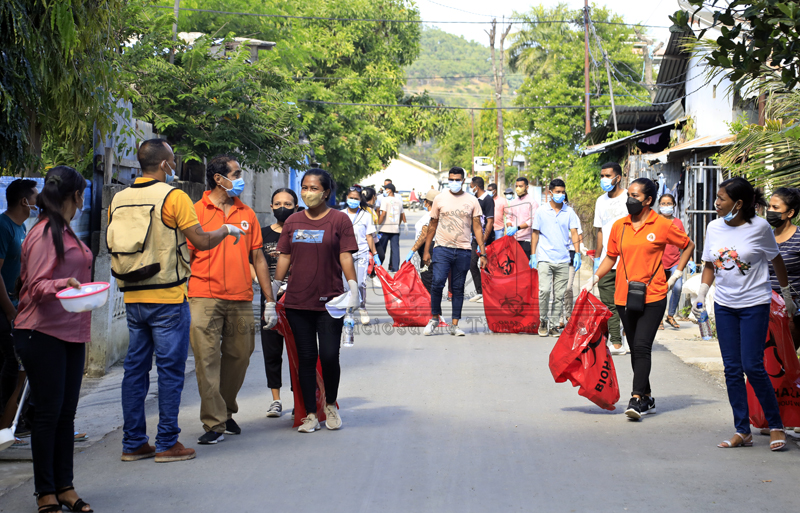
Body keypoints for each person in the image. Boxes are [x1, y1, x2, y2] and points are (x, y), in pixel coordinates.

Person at [108, 139, 241, 463]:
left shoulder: (119, 198)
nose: (174, 166)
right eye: (172, 161)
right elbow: (201, 240)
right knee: (169, 371)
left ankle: (133, 443)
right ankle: (167, 442)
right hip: (167, 296)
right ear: (165, 164)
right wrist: (225, 230)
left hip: (133, 296)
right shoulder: (173, 196)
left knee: (135, 370)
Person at [13, 166, 93, 513]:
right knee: (48, 414)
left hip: (71, 331)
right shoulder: (45, 232)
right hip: (41, 332)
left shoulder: (65, 229)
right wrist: (65, 284)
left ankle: (65, 486)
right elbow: (35, 286)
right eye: (82, 193)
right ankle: (45, 492)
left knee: (66, 415)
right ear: (76, 195)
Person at [693, 177, 794, 450]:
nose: (716, 202)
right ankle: (742, 430)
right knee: (732, 369)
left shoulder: (760, 227)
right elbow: (710, 264)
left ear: (738, 204)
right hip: (725, 306)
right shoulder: (713, 227)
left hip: (754, 304)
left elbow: (776, 260)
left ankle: (775, 425)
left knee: (752, 366)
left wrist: (786, 295)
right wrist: (702, 293)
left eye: (721, 198)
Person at [583, 178, 694, 421]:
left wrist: (676, 274)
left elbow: (688, 245)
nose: (629, 199)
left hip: (654, 295)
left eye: (635, 196)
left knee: (642, 345)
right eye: (629, 195)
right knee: (635, 347)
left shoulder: (661, 224)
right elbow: (610, 257)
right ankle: (647, 396)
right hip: (624, 296)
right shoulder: (620, 226)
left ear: (648, 200)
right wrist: (594, 279)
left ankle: (635, 398)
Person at [187, 155, 273, 445]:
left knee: (240, 355)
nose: (240, 179)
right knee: (207, 360)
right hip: (203, 296)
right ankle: (214, 422)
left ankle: (224, 410)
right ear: (218, 179)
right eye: (236, 174)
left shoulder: (246, 213)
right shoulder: (195, 211)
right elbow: (186, 256)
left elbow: (258, 258)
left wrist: (270, 301)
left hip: (241, 296)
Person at [273, 169, 359, 433]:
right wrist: (274, 287)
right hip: (297, 302)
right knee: (306, 358)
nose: (308, 193)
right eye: (304, 188)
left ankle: (330, 404)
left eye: (314, 188)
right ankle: (310, 413)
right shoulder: (293, 221)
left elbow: (345, 255)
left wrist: (353, 287)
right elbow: (285, 255)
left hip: (331, 302)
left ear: (326, 192)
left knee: (330, 356)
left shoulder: (339, 220)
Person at [422, 167, 487, 337]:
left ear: (463, 181)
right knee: (437, 283)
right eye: (451, 179)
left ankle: (455, 325)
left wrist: (483, 252)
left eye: (457, 180)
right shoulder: (440, 199)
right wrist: (427, 250)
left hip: (463, 250)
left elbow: (477, 228)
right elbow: (432, 225)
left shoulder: (472, 201)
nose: (454, 182)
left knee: (458, 288)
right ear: (448, 180)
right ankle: (434, 318)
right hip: (442, 248)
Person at [257, 188, 297, 419]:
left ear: (296, 207)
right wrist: (263, 285)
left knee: (298, 353)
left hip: (297, 300)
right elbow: (252, 262)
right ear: (271, 207)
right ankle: (276, 400)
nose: (283, 207)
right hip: (270, 301)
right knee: (272, 351)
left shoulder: (301, 234)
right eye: (278, 203)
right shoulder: (262, 234)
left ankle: (298, 399)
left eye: (288, 204)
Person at [0, 179, 37, 418]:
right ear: (25, 201)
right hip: (5, 307)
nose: (38, 203)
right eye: (36, 198)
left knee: (15, 362)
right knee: (11, 362)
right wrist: (9, 310)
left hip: (16, 305)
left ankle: (12, 417)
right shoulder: (3, 227)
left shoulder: (21, 227)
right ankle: (6, 417)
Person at [530, 179, 581, 336]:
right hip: (545, 257)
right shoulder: (541, 211)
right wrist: (533, 254)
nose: (560, 194)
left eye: (562, 192)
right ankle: (543, 321)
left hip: (563, 259)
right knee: (544, 291)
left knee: (559, 295)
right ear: (550, 193)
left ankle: (553, 326)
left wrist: (577, 253)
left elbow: (574, 232)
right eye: (557, 192)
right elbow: (535, 233)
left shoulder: (569, 212)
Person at [592, 162, 629, 355]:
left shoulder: (629, 197)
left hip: (627, 261)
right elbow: (600, 231)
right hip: (607, 261)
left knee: (628, 304)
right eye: (602, 176)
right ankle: (616, 342)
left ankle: (627, 336)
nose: (604, 179)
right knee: (609, 304)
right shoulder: (600, 201)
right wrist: (597, 258)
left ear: (618, 178)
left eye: (607, 176)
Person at [767, 187, 800, 351]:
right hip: (763, 305)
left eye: (775, 207)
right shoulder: (764, 237)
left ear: (790, 213)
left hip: (791, 309)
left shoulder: (798, 238)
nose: (769, 211)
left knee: (785, 357)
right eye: (769, 206)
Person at [657, 194, 695, 330]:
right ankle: (659, 318)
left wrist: (690, 260)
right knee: (660, 291)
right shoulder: (655, 221)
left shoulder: (678, 222)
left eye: (669, 203)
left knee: (677, 287)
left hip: (675, 261)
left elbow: (685, 243)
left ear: (674, 205)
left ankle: (670, 315)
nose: (666, 206)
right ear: (659, 205)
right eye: (663, 203)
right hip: (659, 262)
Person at [344, 186, 380, 325]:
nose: (353, 200)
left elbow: (369, 236)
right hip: (344, 255)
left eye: (356, 198)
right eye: (351, 198)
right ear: (346, 198)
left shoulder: (366, 215)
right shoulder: (340, 215)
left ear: (360, 200)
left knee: (360, 283)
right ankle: (348, 312)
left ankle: (362, 308)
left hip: (361, 253)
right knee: (347, 285)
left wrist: (375, 254)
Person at [468, 177, 494, 303]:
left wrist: (483, 240)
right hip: (475, 238)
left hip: (486, 239)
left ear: (476, 187)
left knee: (486, 265)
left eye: (471, 186)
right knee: (472, 264)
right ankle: (480, 292)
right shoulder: (475, 199)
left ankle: (489, 293)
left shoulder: (488, 200)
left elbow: (490, 221)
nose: (470, 188)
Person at [407, 189, 440, 292]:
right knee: (430, 276)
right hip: (432, 247)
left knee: (427, 277)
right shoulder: (437, 214)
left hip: (428, 247)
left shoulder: (430, 216)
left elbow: (424, 235)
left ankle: (429, 299)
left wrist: (412, 250)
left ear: (427, 202)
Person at [505, 177, 538, 257]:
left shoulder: (532, 203)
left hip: (526, 240)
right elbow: (509, 217)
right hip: (513, 239)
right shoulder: (513, 202)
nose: (518, 188)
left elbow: (532, 221)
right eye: (516, 186)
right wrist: (509, 227)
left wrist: (517, 228)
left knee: (523, 264)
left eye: (520, 186)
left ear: (527, 187)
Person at [377, 183, 405, 272]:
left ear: (389, 190)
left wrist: (378, 225)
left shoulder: (385, 200)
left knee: (382, 248)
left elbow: (383, 214)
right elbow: (402, 215)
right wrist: (398, 224)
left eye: (385, 189)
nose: (384, 191)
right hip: (395, 229)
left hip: (384, 228)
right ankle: (395, 268)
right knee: (395, 249)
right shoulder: (399, 201)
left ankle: (378, 266)